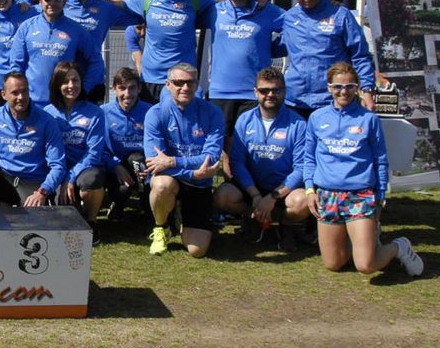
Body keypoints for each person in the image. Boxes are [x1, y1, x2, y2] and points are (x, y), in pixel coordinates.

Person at [303, 62, 423, 277]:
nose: (344, 92)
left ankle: (398, 247)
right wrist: (310, 190)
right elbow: (308, 158)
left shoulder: (369, 119)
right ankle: (360, 239)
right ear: (329, 87)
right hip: (327, 195)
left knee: (366, 266)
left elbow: (380, 159)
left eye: (350, 87)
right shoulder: (317, 118)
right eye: (338, 87)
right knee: (334, 263)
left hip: (361, 195)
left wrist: (381, 195)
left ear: (357, 87)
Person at [212, 67, 311, 251]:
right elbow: (237, 162)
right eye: (264, 90)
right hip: (253, 188)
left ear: (284, 91)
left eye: (276, 90)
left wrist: (273, 196)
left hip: (284, 190)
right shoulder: (244, 120)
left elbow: (302, 168)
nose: (270, 95)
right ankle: (253, 217)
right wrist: (256, 195)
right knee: (222, 196)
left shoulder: (298, 124)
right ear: (256, 92)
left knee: (303, 201)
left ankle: (286, 226)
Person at [207, 0, 286, 175]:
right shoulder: (213, 10)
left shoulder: (266, 10)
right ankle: (230, 197)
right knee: (224, 148)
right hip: (220, 92)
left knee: (249, 147)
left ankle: (248, 196)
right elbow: (184, 8)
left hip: (253, 92)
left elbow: (295, 25)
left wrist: (274, 49)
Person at [142, 63, 225, 257]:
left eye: (190, 83)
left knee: (197, 251)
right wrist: (192, 172)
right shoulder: (155, 114)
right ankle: (161, 228)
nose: (185, 88)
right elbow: (155, 162)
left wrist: (173, 162)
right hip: (177, 178)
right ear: (168, 84)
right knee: (161, 184)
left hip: (199, 183)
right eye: (179, 83)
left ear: (197, 85)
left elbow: (211, 157)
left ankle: (179, 215)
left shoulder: (213, 113)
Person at [281, 0, 377, 116]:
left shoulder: (341, 15)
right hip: (295, 101)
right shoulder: (288, 18)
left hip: (332, 101)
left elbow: (360, 55)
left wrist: (367, 91)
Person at [121, 0, 217, 103]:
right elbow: (116, 5)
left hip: (182, 80)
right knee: (152, 125)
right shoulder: (146, 0)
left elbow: (226, 3)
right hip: (151, 81)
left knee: (185, 125)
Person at [0, 72, 67, 207]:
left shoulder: (46, 121)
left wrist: (43, 191)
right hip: (5, 180)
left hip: (34, 183)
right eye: (15, 93)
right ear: (4, 95)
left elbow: (58, 165)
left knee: (30, 223)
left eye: (24, 91)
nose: (21, 97)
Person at [8, 0, 103, 106]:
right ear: (41, 1)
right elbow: (16, 64)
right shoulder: (26, 27)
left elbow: (96, 61)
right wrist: (20, 94)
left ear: (64, 2)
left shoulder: (76, 30)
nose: (52, 3)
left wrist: (83, 89)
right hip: (32, 103)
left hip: (63, 103)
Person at [43, 61, 108, 230]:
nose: (71, 85)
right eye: (65, 81)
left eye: (75, 80)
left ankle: (91, 223)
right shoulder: (47, 113)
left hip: (85, 169)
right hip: (57, 169)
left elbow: (93, 153)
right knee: (63, 220)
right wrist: (60, 177)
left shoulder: (95, 113)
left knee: (92, 180)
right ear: (56, 85)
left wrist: (70, 177)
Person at [62, 0, 139, 101]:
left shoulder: (105, 8)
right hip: (65, 81)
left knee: (91, 121)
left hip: (93, 79)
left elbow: (140, 14)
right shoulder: (61, 5)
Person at [100, 67, 151, 221]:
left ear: (139, 88)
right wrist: (115, 166)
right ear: (114, 88)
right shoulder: (102, 113)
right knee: (121, 190)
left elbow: (157, 145)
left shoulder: (151, 112)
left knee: (137, 160)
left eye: (132, 88)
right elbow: (97, 149)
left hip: (142, 164)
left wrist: (151, 166)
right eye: (122, 88)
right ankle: (118, 203)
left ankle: (150, 211)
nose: (127, 94)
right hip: (114, 167)